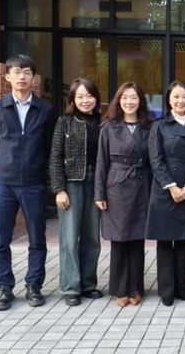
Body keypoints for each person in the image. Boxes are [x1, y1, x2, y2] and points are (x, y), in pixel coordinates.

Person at [0, 54, 55, 311]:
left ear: (34, 77)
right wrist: (6, 165)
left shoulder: (45, 110)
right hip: (3, 184)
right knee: (1, 239)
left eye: (26, 72)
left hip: (34, 184)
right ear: (7, 77)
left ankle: (34, 286)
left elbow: (49, 146)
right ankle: (4, 287)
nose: (22, 77)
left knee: (37, 238)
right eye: (16, 72)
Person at [146, 81, 185, 307]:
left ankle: (182, 288)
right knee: (164, 242)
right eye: (176, 97)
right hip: (165, 190)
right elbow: (156, 160)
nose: (181, 101)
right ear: (169, 100)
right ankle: (166, 291)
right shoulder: (159, 126)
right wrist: (171, 187)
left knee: (182, 242)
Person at [95, 81, 151, 307]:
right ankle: (120, 289)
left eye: (134, 97)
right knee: (119, 239)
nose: (129, 102)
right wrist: (99, 193)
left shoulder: (148, 127)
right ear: (119, 101)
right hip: (116, 186)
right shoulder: (109, 127)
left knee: (137, 239)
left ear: (140, 101)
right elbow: (101, 162)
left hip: (141, 185)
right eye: (125, 98)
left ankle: (136, 288)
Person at [49, 78, 104, 307]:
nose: (85, 100)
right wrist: (59, 189)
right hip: (72, 184)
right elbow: (55, 156)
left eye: (89, 96)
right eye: (80, 96)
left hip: (96, 183)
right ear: (72, 99)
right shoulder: (65, 122)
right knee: (70, 238)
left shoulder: (103, 123)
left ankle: (88, 284)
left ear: (96, 98)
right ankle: (71, 287)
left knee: (92, 238)